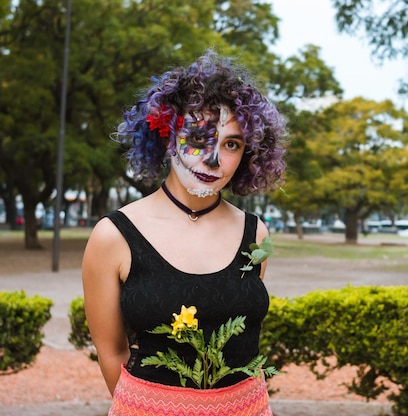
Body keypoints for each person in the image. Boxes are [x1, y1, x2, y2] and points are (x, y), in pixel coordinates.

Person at [82, 50, 287, 416]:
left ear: (248, 153)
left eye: (232, 144)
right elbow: (112, 352)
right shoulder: (113, 236)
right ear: (166, 136)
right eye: (197, 136)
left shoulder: (255, 233)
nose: (213, 159)